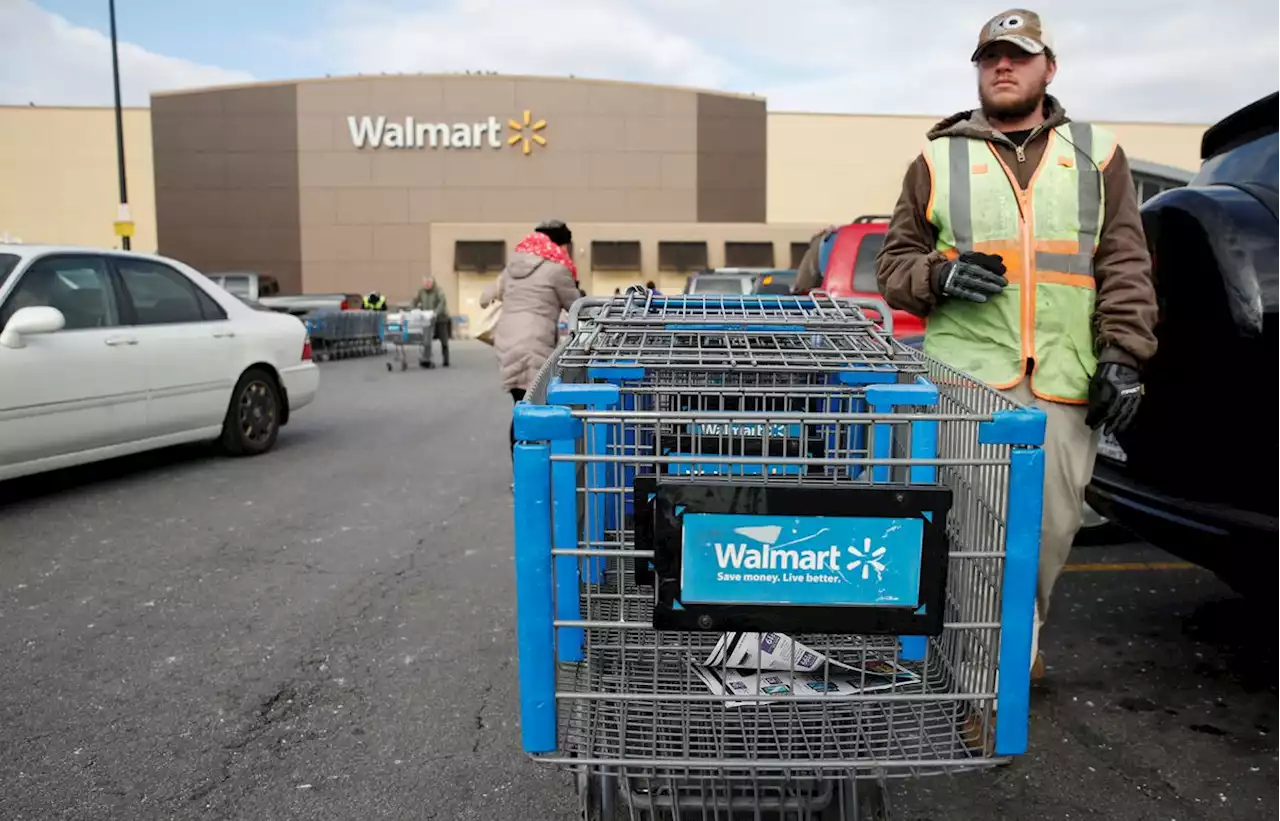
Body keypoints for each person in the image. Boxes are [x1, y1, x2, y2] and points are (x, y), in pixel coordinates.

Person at [875, 9, 1157, 679]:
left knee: (1048, 537)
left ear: (1047, 68)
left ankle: (1009, 653)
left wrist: (1124, 353)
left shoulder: (1096, 153)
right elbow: (894, 268)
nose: (1003, 66)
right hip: (972, 380)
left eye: (1019, 55)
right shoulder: (938, 158)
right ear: (978, 69)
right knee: (979, 537)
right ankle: (989, 683)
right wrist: (938, 275)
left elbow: (1125, 260)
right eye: (990, 56)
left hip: (1066, 380)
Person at [480, 219, 581, 457]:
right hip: (535, 343)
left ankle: (521, 472)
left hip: (506, 342)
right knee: (535, 408)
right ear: (560, 244)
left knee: (521, 405)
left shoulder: (513, 266)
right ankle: (531, 473)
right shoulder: (556, 269)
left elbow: (485, 298)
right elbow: (576, 306)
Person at [410, 275, 452, 368]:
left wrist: (436, 312)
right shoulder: (421, 291)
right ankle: (426, 359)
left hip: (440, 319)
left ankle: (446, 360)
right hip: (427, 319)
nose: (427, 285)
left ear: (432, 283)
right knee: (427, 340)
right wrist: (413, 309)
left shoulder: (439, 291)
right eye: (425, 283)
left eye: (429, 283)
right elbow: (414, 301)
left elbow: (442, 302)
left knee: (443, 340)